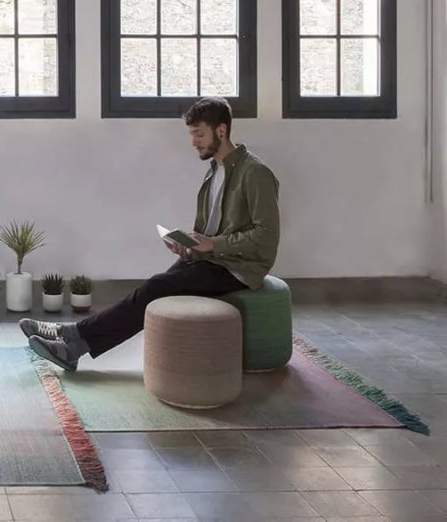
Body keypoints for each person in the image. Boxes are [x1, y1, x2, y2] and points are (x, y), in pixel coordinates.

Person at [22, 96, 280, 371]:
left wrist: (213, 245)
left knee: (156, 287)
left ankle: (74, 341)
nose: (194, 142)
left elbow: (266, 236)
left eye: (199, 134)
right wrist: (189, 247)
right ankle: (72, 337)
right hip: (212, 259)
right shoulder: (214, 172)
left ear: (221, 130)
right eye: (191, 134)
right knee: (151, 290)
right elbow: (213, 230)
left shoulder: (255, 173)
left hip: (238, 267)